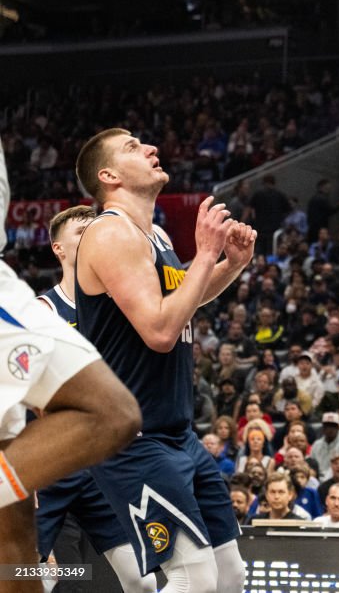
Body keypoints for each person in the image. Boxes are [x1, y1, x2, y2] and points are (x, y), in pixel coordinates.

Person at [75, 129, 256, 592]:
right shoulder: (110, 232)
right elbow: (159, 331)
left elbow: (179, 305)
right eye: (133, 148)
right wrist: (207, 253)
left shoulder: (152, 233)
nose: (152, 148)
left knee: (231, 574)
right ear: (109, 175)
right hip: (132, 438)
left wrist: (228, 265)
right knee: (192, 577)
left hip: (175, 432)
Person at [0, 139, 142, 581]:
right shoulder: (46, 305)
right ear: (58, 250)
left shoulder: (114, 297)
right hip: (60, 464)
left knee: (18, 550)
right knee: (112, 412)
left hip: (88, 463)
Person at [33, 205, 157, 593]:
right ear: (58, 249)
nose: (91, 237)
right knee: (22, 573)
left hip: (104, 465)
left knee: (143, 581)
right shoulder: (42, 311)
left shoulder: (120, 309)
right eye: (80, 232)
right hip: (51, 463)